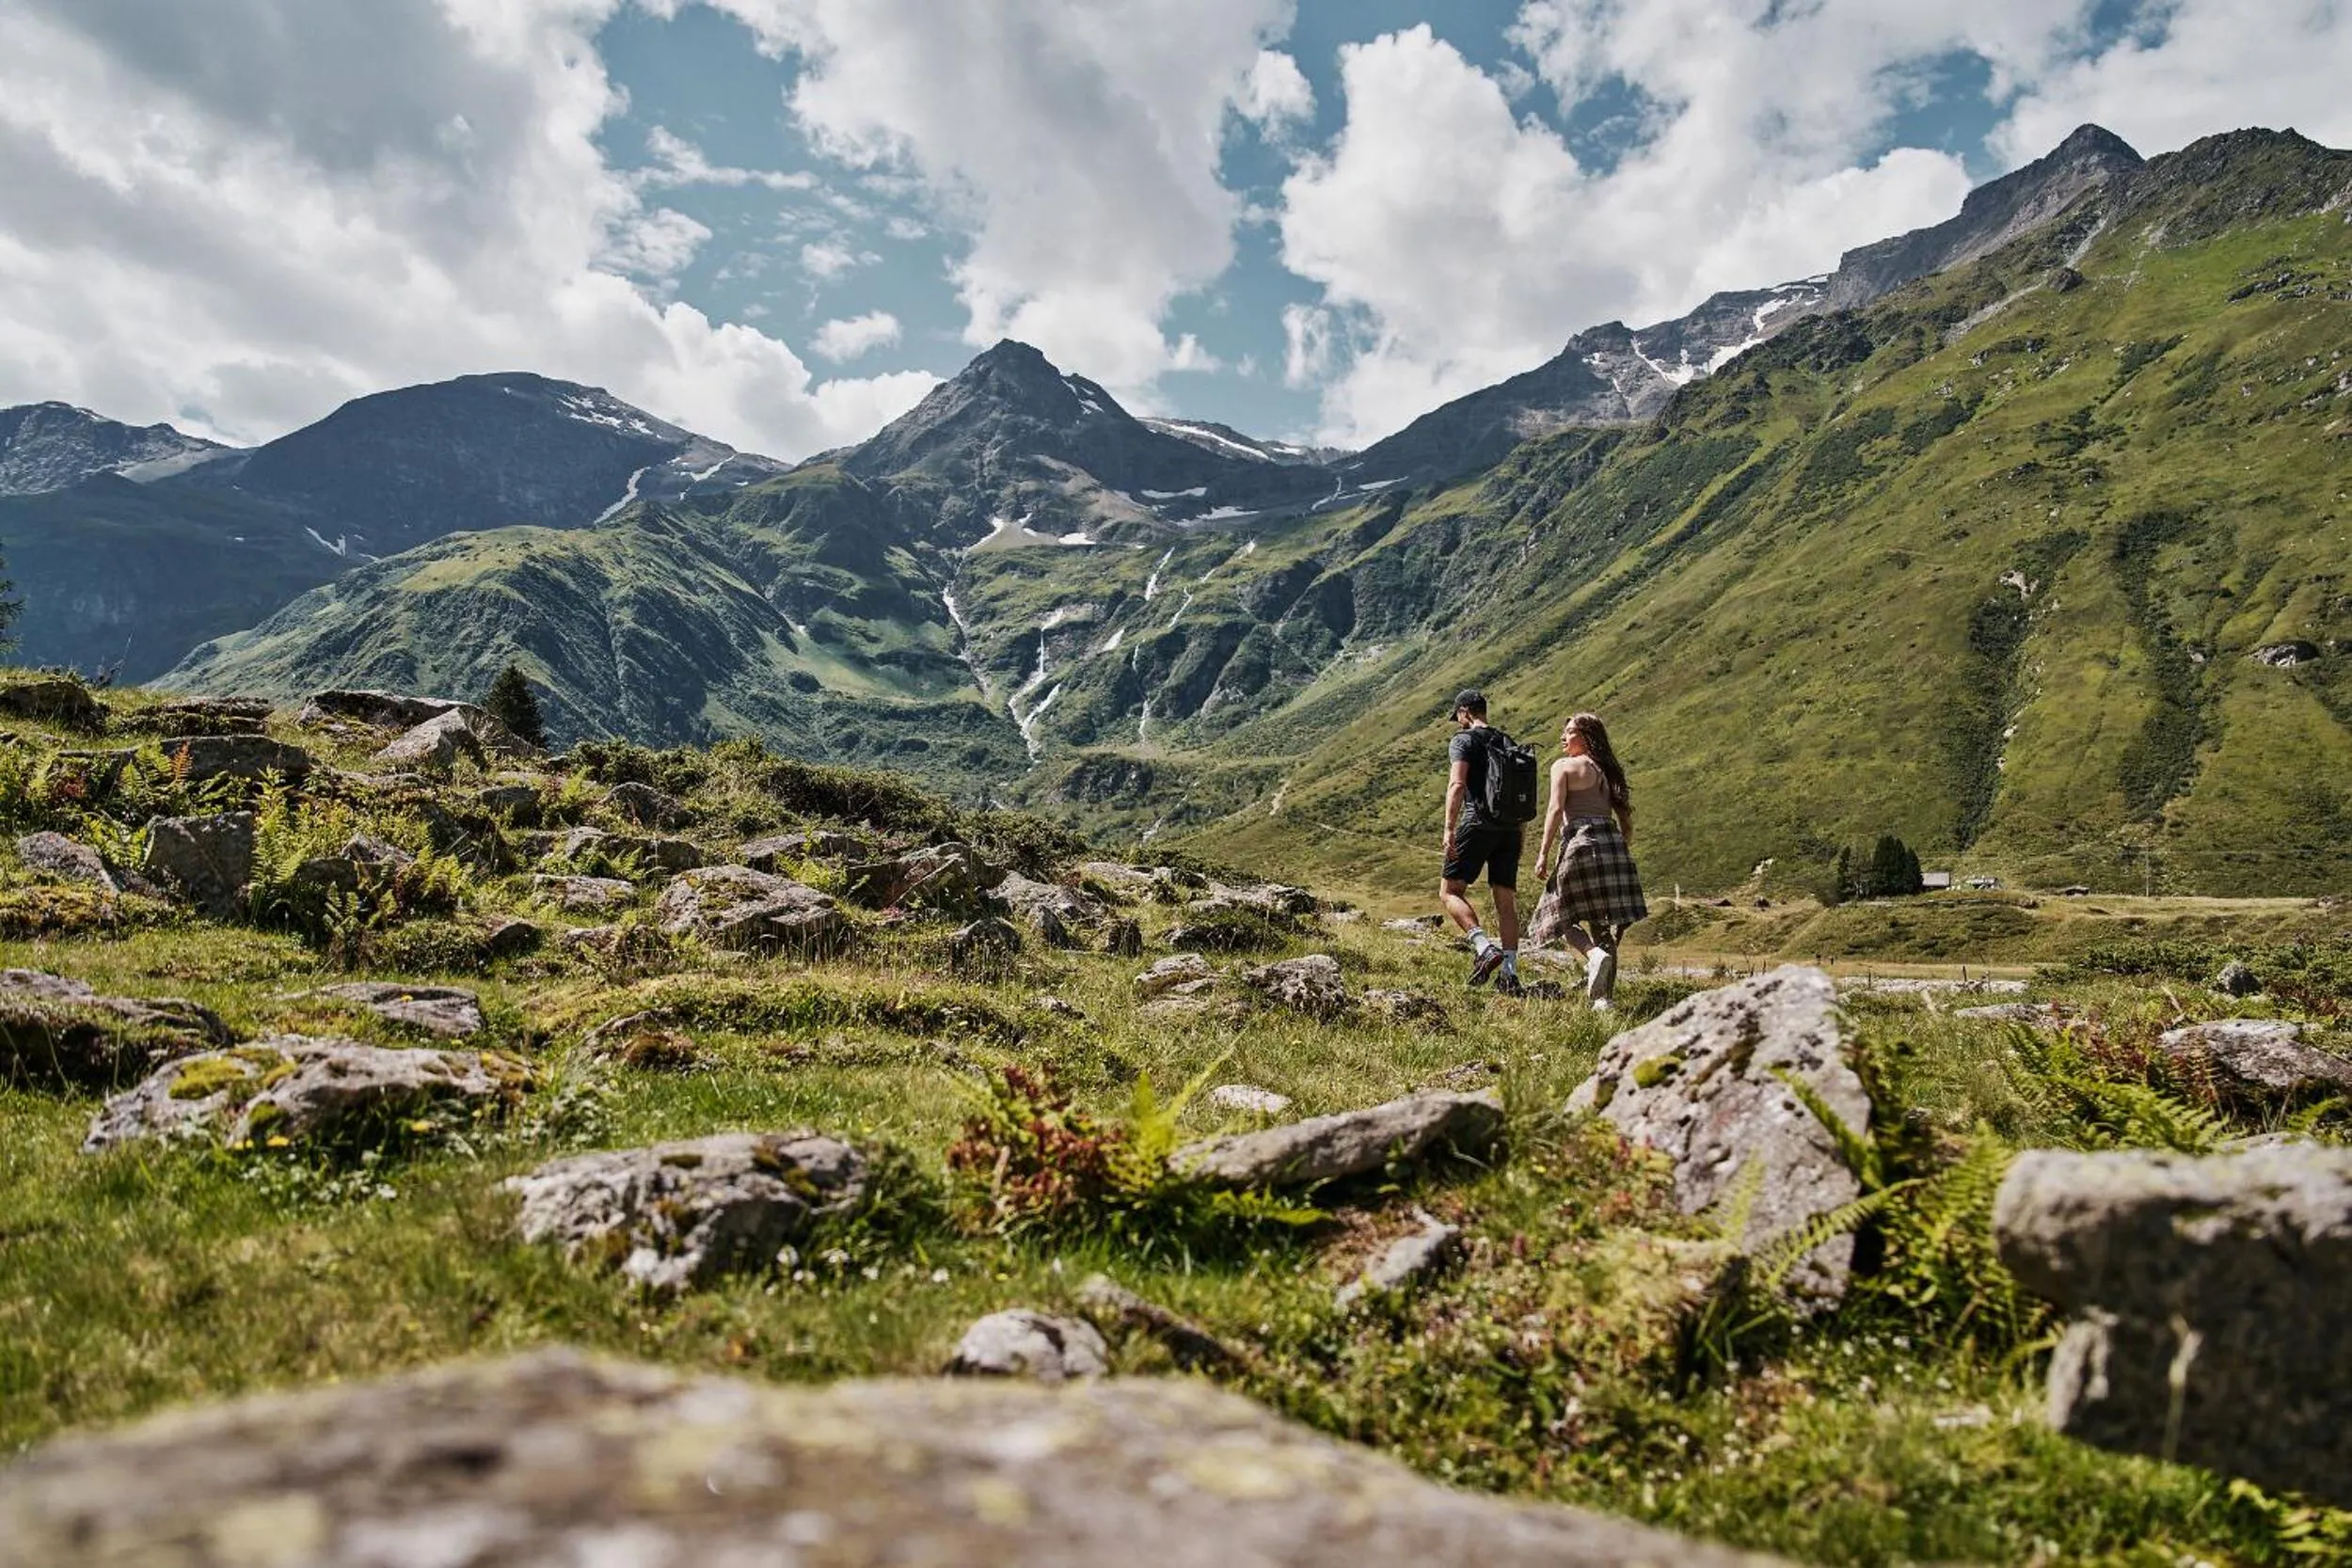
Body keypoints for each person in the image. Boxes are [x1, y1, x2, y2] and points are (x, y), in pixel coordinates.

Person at [1529, 711, 1646, 1010]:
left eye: (1569, 732)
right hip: (1612, 846)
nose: (1563, 737)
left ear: (1585, 736)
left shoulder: (1564, 766)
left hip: (1579, 843)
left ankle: (1593, 956)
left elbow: (1555, 810)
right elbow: (1627, 821)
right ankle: (1604, 999)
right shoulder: (1609, 772)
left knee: (1562, 914)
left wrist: (1543, 854)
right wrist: (1620, 849)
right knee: (1602, 924)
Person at [1438, 689, 1521, 989]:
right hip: (1511, 829)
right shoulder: (1507, 741)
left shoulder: (1464, 740)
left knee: (1450, 892)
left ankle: (1484, 947)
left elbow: (1457, 784)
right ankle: (1510, 974)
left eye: (1457, 717)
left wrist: (1449, 828)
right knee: (1505, 904)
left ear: (1464, 712)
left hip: (1477, 822)